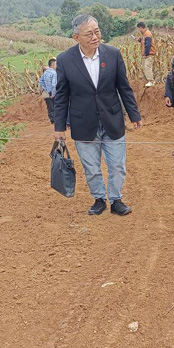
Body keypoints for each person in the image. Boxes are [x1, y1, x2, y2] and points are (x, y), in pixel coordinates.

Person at [53, 14, 142, 216]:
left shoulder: (113, 54)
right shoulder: (65, 60)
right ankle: (99, 198)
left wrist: (134, 114)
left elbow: (124, 88)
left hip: (112, 119)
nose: (95, 37)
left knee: (117, 166)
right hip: (83, 123)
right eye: (89, 34)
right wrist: (59, 128)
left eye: (97, 31)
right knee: (92, 168)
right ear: (76, 37)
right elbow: (61, 96)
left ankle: (116, 199)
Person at [135, 21, 157, 87]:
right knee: (146, 67)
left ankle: (151, 81)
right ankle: (150, 80)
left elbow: (148, 45)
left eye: (138, 28)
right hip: (147, 54)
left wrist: (145, 54)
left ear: (141, 27)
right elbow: (143, 40)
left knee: (147, 67)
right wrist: (138, 39)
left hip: (149, 55)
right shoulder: (145, 34)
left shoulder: (147, 34)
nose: (138, 30)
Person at [39, 58, 57, 124]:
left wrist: (45, 89)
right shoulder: (54, 73)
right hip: (52, 93)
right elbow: (54, 85)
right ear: (53, 65)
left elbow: (41, 81)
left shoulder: (46, 72)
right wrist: (52, 93)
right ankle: (56, 120)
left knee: (50, 107)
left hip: (47, 93)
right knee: (55, 106)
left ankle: (52, 120)